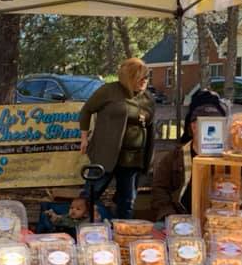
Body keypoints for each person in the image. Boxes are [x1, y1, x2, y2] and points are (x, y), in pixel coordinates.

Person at [78, 58, 155, 219]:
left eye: (147, 77)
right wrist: (84, 137)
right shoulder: (109, 91)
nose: (144, 81)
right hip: (106, 154)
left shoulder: (147, 98)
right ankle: (81, 227)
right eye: (140, 77)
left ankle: (123, 231)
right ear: (129, 77)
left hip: (133, 159)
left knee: (127, 201)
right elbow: (86, 110)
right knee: (89, 195)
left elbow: (150, 125)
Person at [151, 89, 227, 220]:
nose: (214, 129)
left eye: (218, 124)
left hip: (220, 222)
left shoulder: (231, 160)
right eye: (208, 124)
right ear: (194, 127)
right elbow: (160, 190)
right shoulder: (174, 158)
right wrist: (170, 216)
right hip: (181, 220)